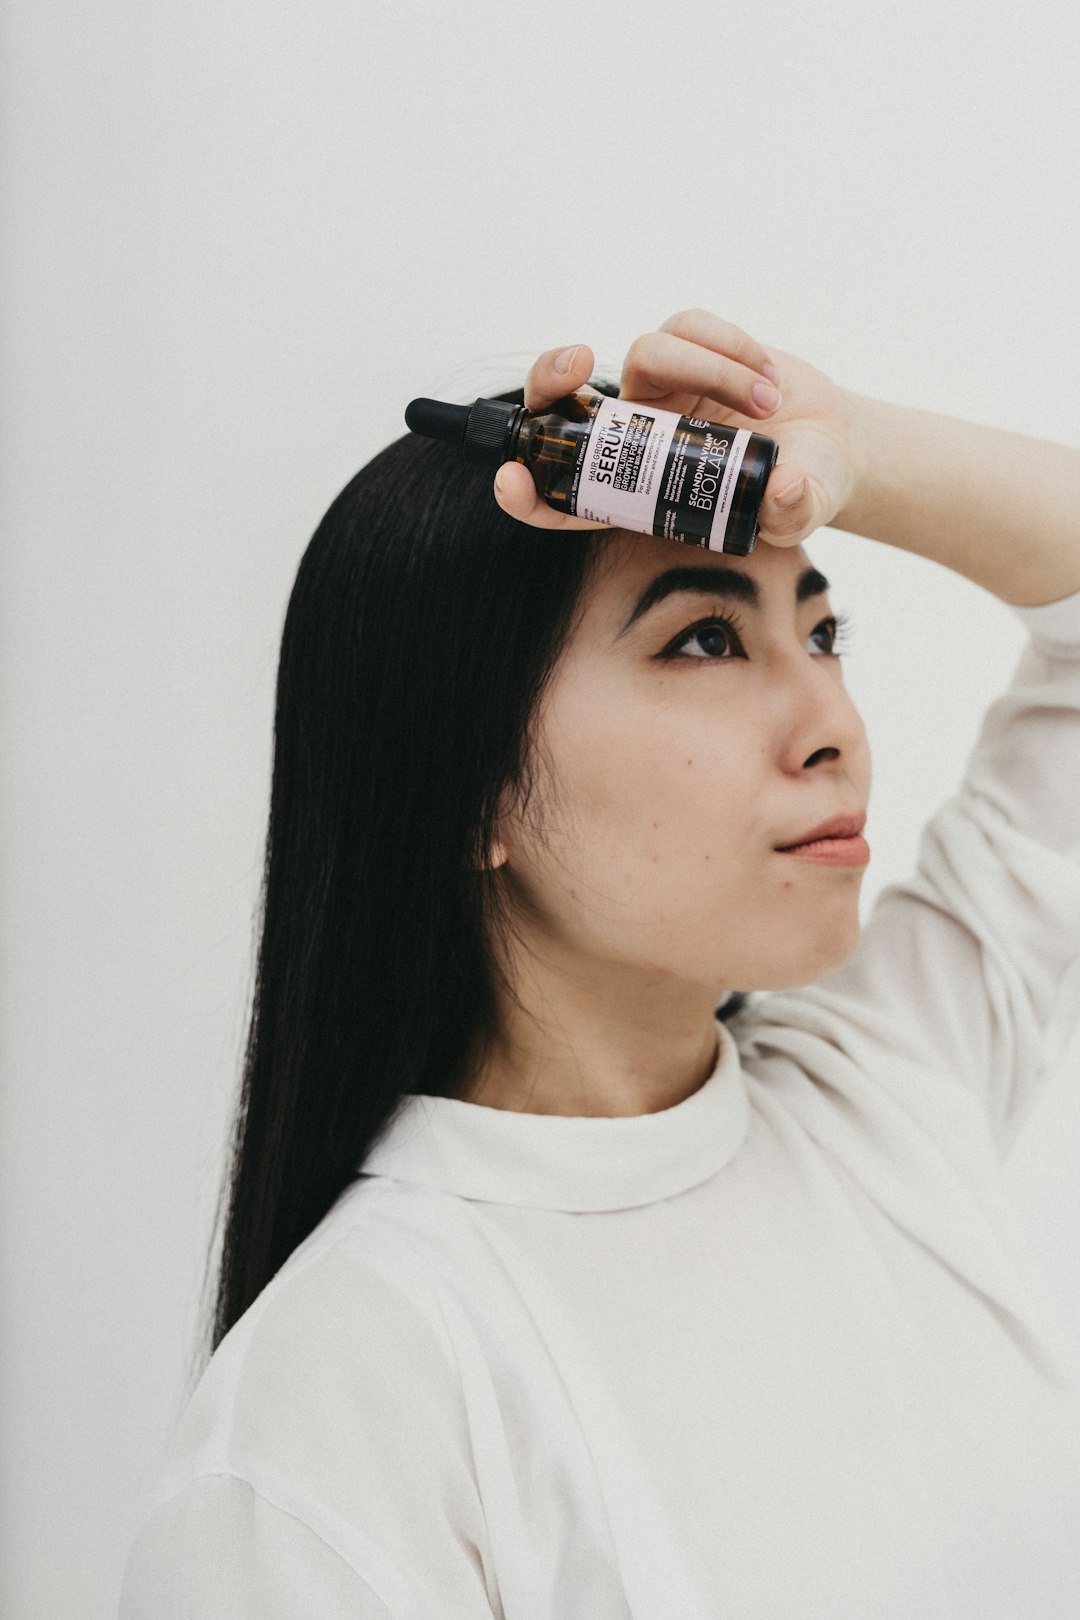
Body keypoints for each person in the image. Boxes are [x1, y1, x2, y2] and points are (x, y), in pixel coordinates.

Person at [118, 310, 1080, 1618]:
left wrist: (849, 455)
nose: (833, 726)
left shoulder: (881, 1095)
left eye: (823, 632)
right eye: (703, 638)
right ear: (469, 792)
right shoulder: (337, 1422)